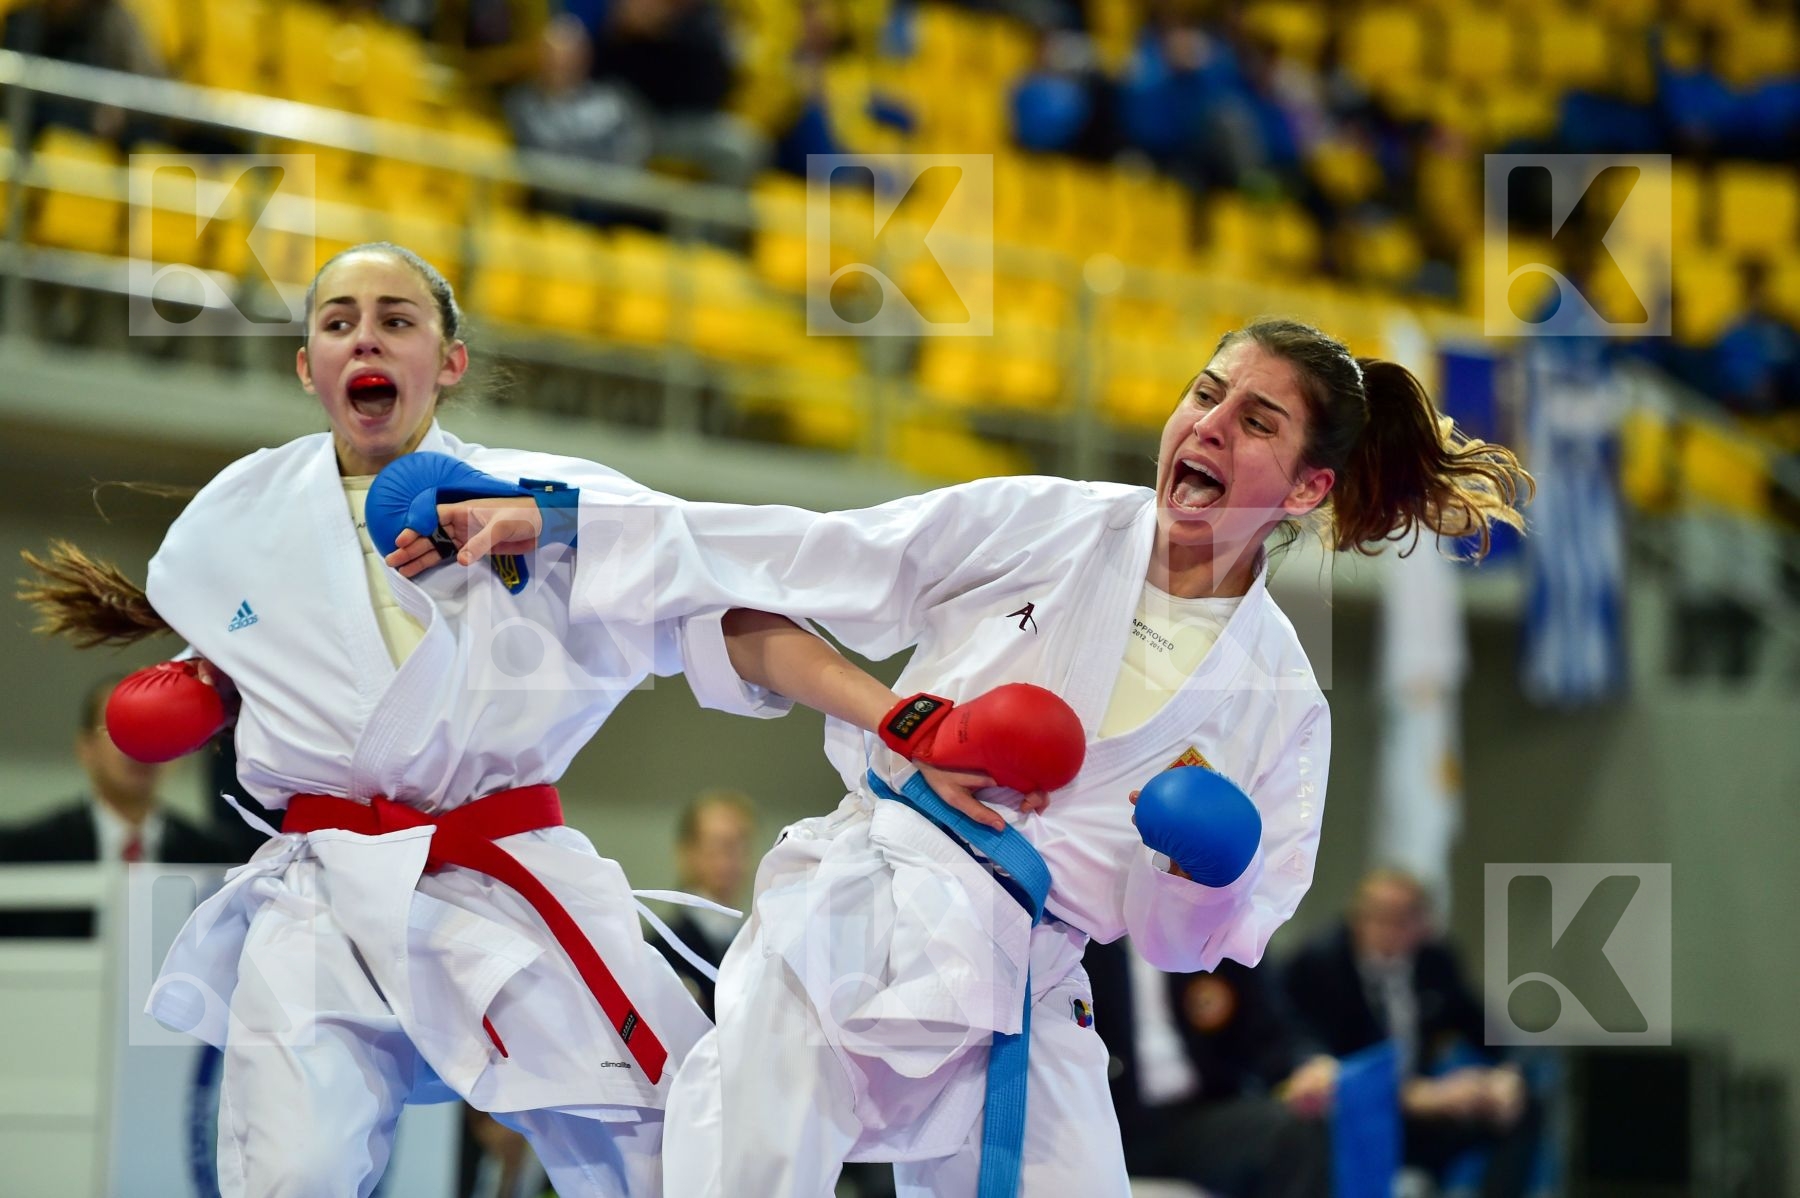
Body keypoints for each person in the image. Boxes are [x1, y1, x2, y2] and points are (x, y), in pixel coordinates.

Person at [410, 316, 1533, 1196]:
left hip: (1036, 982)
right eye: (1205, 392)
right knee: (742, 1170)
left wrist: (1200, 870)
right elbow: (816, 553)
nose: (1207, 425)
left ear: (1306, 490)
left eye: (1255, 421)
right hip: (863, 911)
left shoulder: (1280, 695)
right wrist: (566, 519)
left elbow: (1200, 942)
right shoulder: (1050, 525)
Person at [14, 240, 915, 1198]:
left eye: (397, 320)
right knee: (293, 1172)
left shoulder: (542, 502)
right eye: (338, 322)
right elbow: (259, 647)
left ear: (449, 361)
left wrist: (895, 716)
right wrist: (209, 683)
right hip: (322, 893)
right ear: (306, 365)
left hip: (506, 878)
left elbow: (721, 609)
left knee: (664, 1158)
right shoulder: (237, 520)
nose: (366, 337)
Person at [1282, 868, 1540, 1198]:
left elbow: (1495, 1032)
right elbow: (1305, 1050)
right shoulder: (1320, 962)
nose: (1389, 930)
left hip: (1422, 1113)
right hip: (1352, 1109)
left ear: (1423, 924)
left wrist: (1508, 1075)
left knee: (1523, 1103)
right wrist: (1407, 1093)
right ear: (1357, 919)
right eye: (1378, 917)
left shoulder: (1435, 962)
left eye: (1403, 918)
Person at [1083, 938, 1332, 1198]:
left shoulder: (1219, 922)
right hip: (1106, 1120)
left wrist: (1305, 1066)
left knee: (1299, 1129)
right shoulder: (1073, 928)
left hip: (1201, 1113)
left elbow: (1270, 1029)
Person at [0, 672, 240, 938]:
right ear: (86, 748)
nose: (139, 746)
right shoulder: (26, 853)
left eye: (157, 728)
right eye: (121, 729)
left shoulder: (218, 858)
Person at [651, 789, 758, 1018]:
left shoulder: (761, 949)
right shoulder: (659, 950)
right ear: (687, 852)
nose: (730, 859)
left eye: (739, 845)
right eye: (719, 844)